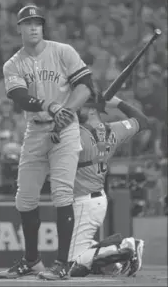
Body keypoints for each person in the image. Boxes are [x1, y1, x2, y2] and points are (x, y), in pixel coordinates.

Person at [0, 4, 100, 280]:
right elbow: (20, 96)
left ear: (43, 26)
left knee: (62, 194)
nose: (33, 26)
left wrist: (64, 114)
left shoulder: (62, 51)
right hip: (36, 129)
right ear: (19, 28)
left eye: (38, 22)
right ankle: (32, 260)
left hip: (65, 131)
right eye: (28, 22)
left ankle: (62, 263)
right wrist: (51, 106)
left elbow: (85, 86)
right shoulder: (13, 63)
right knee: (25, 197)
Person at [50, 95, 148, 278]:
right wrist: (119, 102)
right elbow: (142, 121)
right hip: (94, 199)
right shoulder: (115, 129)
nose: (77, 110)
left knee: (71, 264)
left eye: (82, 106)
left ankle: (126, 246)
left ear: (94, 110)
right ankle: (114, 261)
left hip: (84, 201)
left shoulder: (75, 133)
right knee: (78, 255)